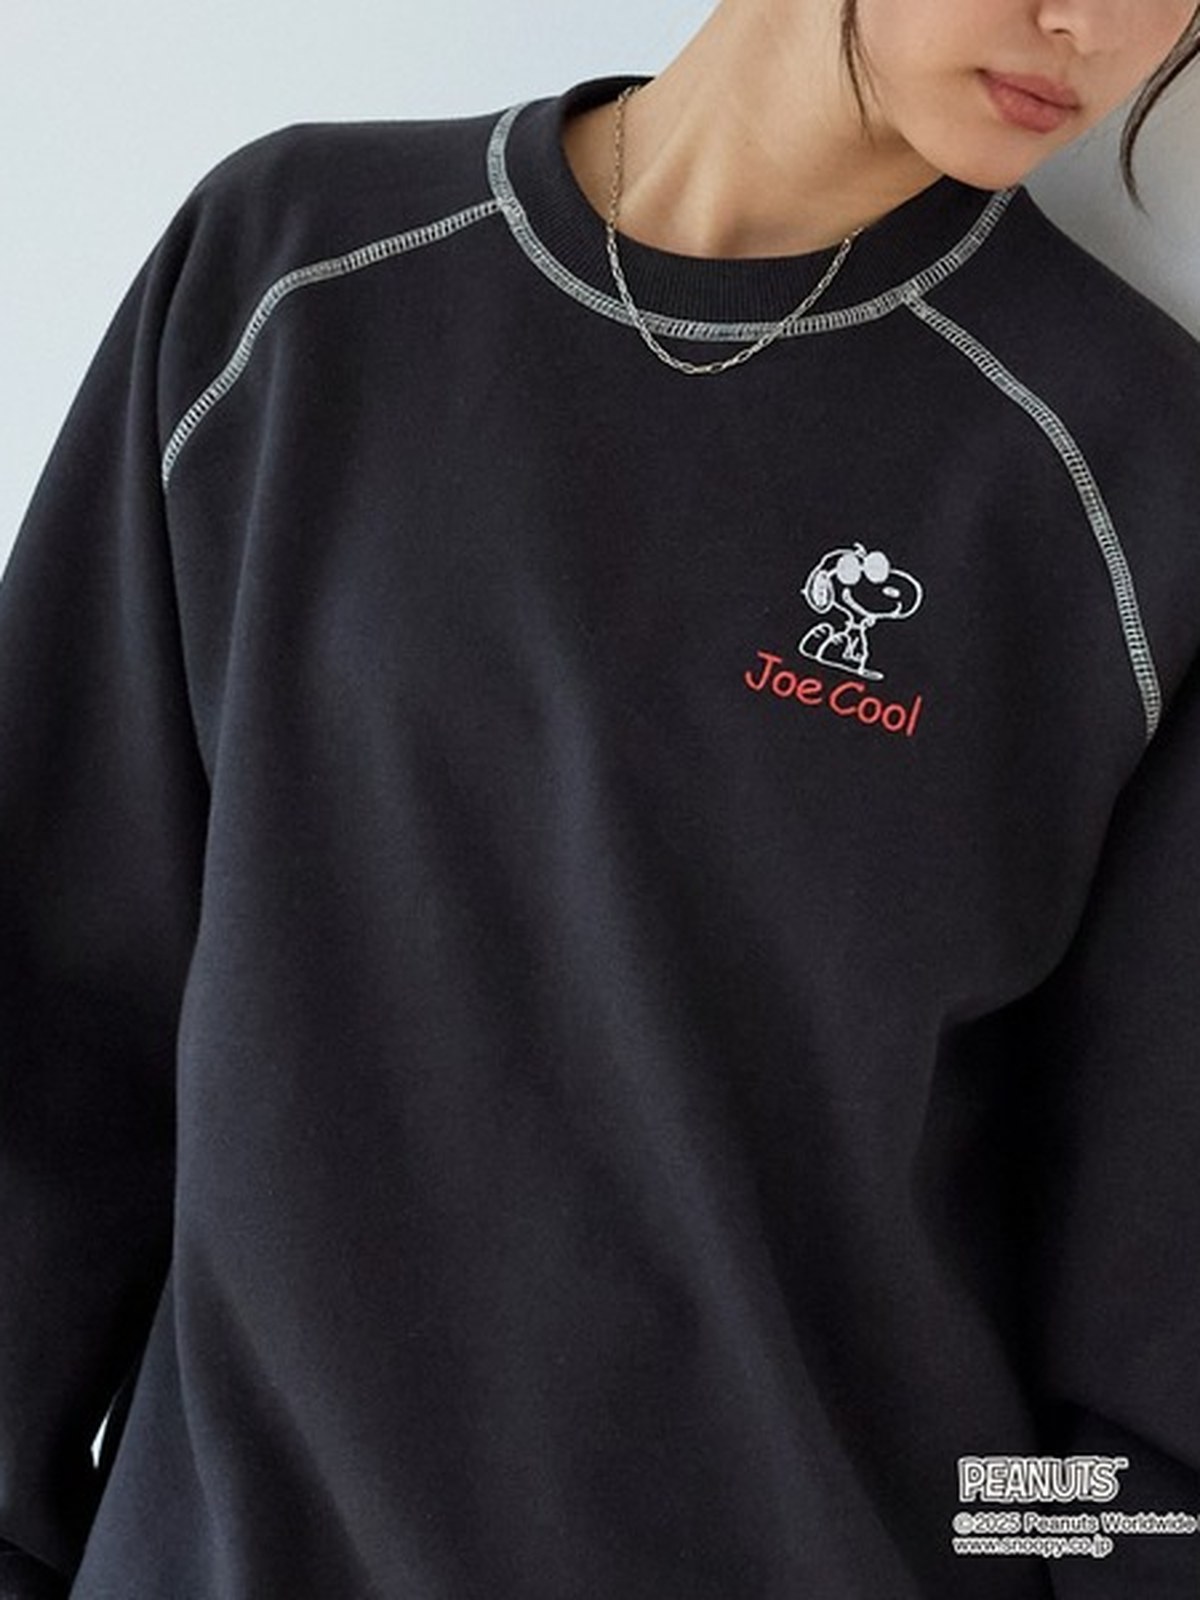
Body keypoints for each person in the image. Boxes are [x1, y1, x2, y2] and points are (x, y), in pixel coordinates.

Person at [3, 0, 1200, 1594]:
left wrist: (995, 1545)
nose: (1098, 25)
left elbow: (1157, 1403)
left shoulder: (1130, 481)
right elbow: (50, 1024)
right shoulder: (294, 273)